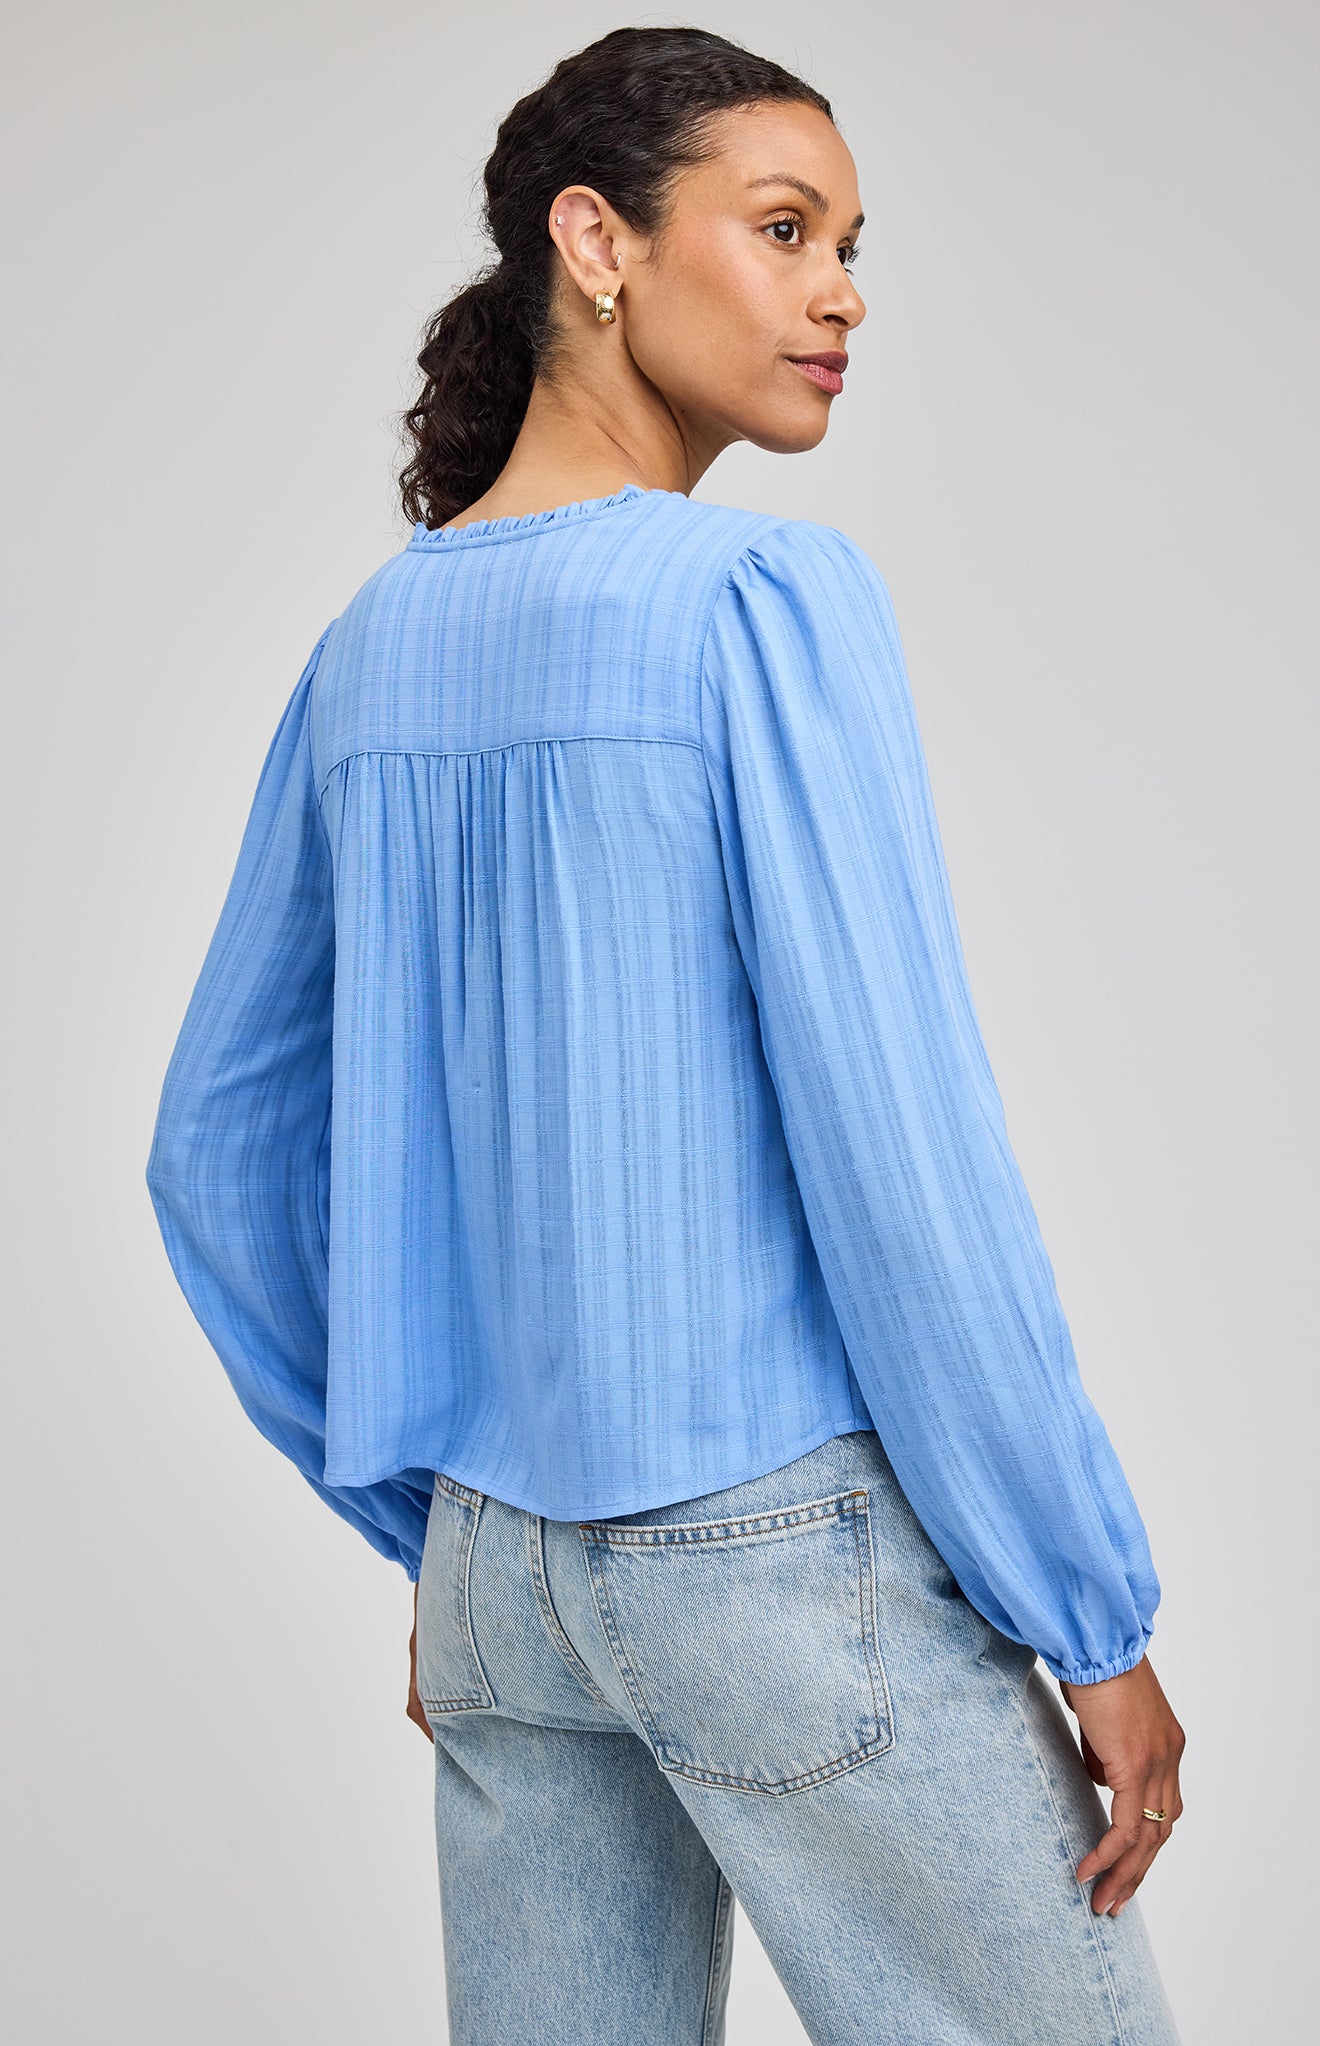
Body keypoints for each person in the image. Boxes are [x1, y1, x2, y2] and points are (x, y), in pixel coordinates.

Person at [145, 24, 1185, 2046]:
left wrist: (438, 1528)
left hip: (498, 1585)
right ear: (596, 242)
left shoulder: (374, 645)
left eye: (853, 246)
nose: (842, 293)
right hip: (771, 1552)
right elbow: (903, 1156)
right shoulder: (756, 600)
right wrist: (1088, 1607)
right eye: (785, 229)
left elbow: (215, 1150)